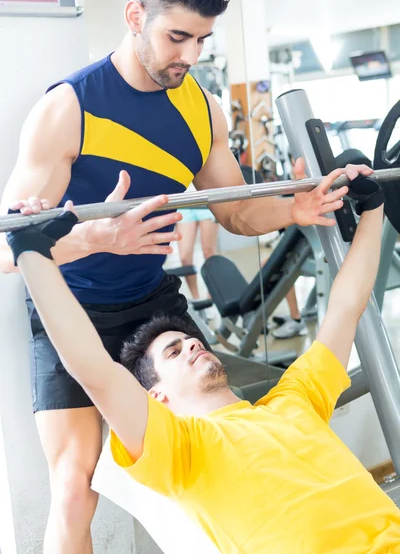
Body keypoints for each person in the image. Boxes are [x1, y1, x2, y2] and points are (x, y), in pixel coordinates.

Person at [0, 0, 362, 551]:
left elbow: (236, 211)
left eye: (202, 39)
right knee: (72, 486)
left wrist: (294, 210)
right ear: (134, 14)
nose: (190, 56)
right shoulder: (68, 109)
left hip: (152, 306)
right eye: (177, 37)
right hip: (72, 309)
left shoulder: (200, 108)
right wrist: (95, 238)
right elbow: (12, 250)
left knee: (224, 447)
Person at [8, 166, 400, 554]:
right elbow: (94, 369)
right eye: (174, 352)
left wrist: (373, 208)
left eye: (189, 341)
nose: (193, 345)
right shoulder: (181, 451)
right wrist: (32, 253)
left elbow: (346, 308)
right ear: (155, 395)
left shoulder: (295, 399)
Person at [177, 185, 218, 300]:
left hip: (206, 199)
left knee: (208, 252)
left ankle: (212, 298)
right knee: (185, 258)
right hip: (184, 201)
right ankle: (197, 299)